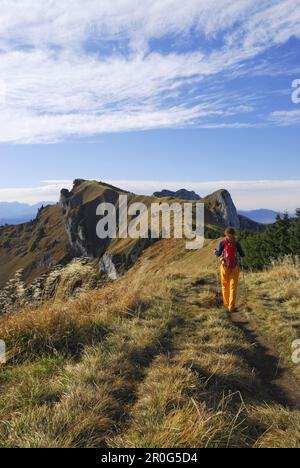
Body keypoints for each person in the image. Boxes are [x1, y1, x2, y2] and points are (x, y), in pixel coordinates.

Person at [215, 227, 245, 312]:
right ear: (234, 234)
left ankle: (226, 304)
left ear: (226, 234)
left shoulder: (222, 243)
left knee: (225, 286)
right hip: (234, 268)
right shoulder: (236, 244)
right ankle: (231, 307)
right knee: (233, 287)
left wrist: (215, 252)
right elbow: (242, 255)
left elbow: (218, 254)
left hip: (224, 267)